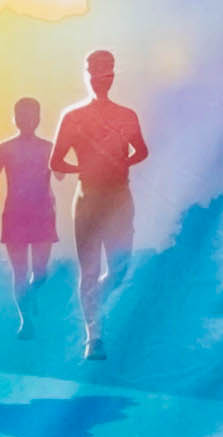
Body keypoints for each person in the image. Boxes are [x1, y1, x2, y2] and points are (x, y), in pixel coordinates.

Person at [51, 50, 151, 358]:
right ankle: (93, 337)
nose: (100, 79)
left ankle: (96, 305)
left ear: (113, 76)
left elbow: (141, 150)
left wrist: (121, 161)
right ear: (87, 76)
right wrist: (84, 167)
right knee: (90, 269)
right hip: (88, 198)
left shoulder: (126, 115)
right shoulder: (73, 117)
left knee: (121, 268)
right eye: (95, 73)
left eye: (106, 73)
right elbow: (56, 161)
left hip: (119, 197)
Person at [0, 97, 59, 337]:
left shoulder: (48, 147)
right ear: (15, 119)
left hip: (43, 213)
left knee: (40, 272)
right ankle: (25, 321)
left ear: (38, 118)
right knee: (20, 272)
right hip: (15, 214)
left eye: (31, 115)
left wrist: (71, 153)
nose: (27, 120)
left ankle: (30, 295)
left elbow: (61, 174)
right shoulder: (6, 148)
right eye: (22, 115)